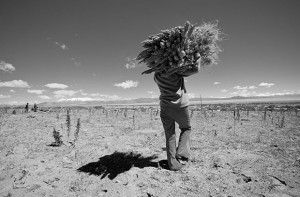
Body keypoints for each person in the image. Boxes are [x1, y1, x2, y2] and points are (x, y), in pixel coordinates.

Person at [154, 61, 200, 171]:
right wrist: (197, 56)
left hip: (165, 107)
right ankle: (181, 154)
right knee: (186, 128)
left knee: (170, 135)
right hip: (180, 106)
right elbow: (195, 69)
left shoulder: (157, 76)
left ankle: (172, 164)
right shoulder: (177, 71)